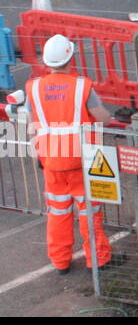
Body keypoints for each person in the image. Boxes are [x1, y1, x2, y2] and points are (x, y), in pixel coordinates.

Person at [24, 35, 116, 273]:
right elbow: (102, 117)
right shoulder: (82, 86)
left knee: (58, 212)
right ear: (70, 58)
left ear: (46, 61)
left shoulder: (33, 88)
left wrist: (38, 152)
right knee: (89, 212)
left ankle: (60, 261)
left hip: (51, 161)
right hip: (81, 160)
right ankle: (98, 260)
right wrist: (111, 119)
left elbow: (31, 124)